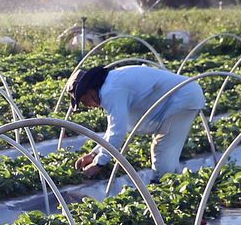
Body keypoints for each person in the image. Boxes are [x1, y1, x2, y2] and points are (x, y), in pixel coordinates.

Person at [67, 65, 206, 180]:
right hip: (182, 96)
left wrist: (99, 164)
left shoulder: (111, 91)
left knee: (163, 149)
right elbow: (113, 129)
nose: (88, 105)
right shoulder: (111, 83)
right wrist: (93, 154)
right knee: (167, 151)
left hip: (183, 98)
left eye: (85, 100)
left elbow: (118, 132)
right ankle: (175, 183)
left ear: (91, 89)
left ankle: (164, 191)